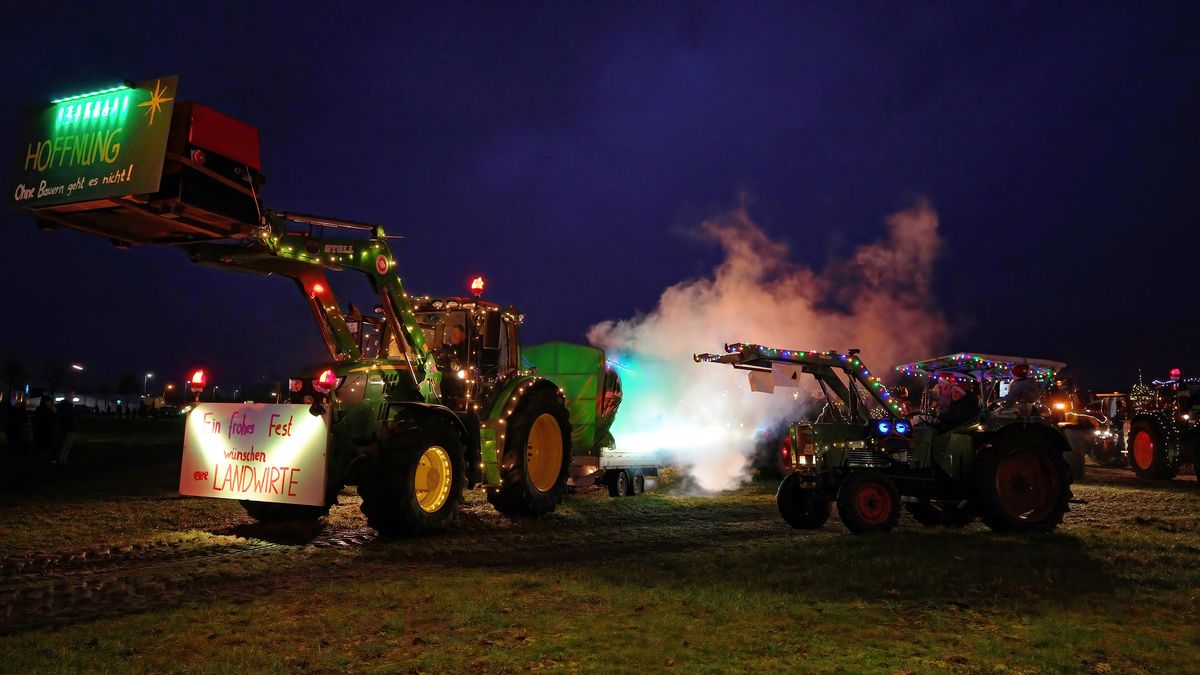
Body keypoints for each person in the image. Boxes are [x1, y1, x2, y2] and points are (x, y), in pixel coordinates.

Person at [32, 395, 57, 464]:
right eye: (49, 401)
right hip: (46, 434)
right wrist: (54, 413)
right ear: (46, 402)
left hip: (39, 434)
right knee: (45, 450)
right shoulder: (48, 410)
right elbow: (50, 421)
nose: (50, 403)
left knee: (41, 450)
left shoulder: (39, 409)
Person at [57, 394, 77, 466]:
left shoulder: (68, 406)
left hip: (70, 428)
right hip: (68, 428)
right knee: (65, 446)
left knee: (66, 446)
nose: (73, 397)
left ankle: (63, 461)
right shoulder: (67, 406)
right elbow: (66, 417)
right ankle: (61, 461)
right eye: (72, 395)